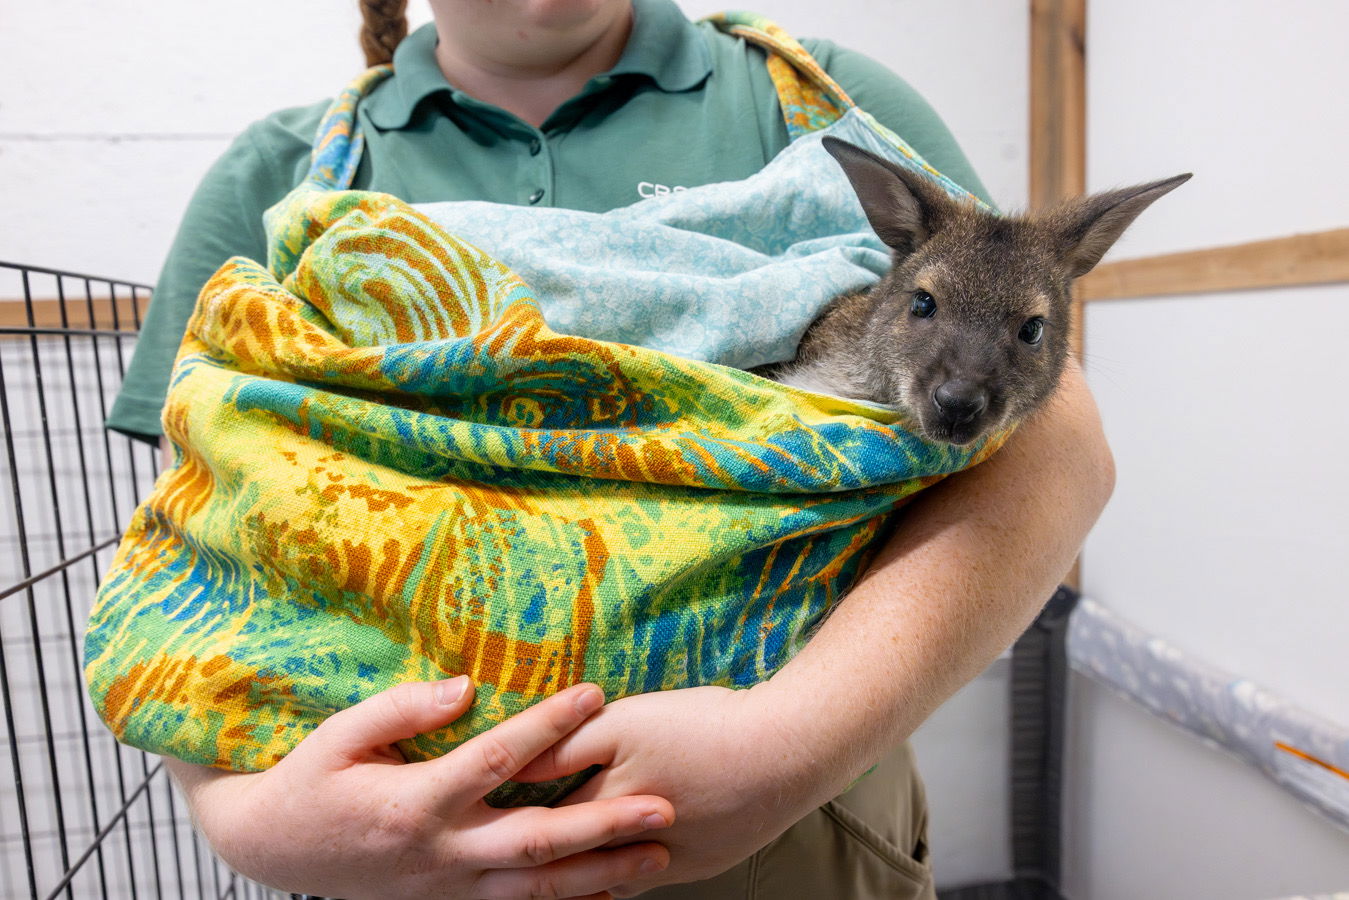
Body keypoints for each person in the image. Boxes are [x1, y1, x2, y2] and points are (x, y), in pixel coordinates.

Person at [106, 1, 1115, 897]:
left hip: (782, 829)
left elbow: (1049, 443)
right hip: (401, 841)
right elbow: (208, 522)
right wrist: (247, 822)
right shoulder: (278, 172)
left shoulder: (809, 98)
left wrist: (782, 749)